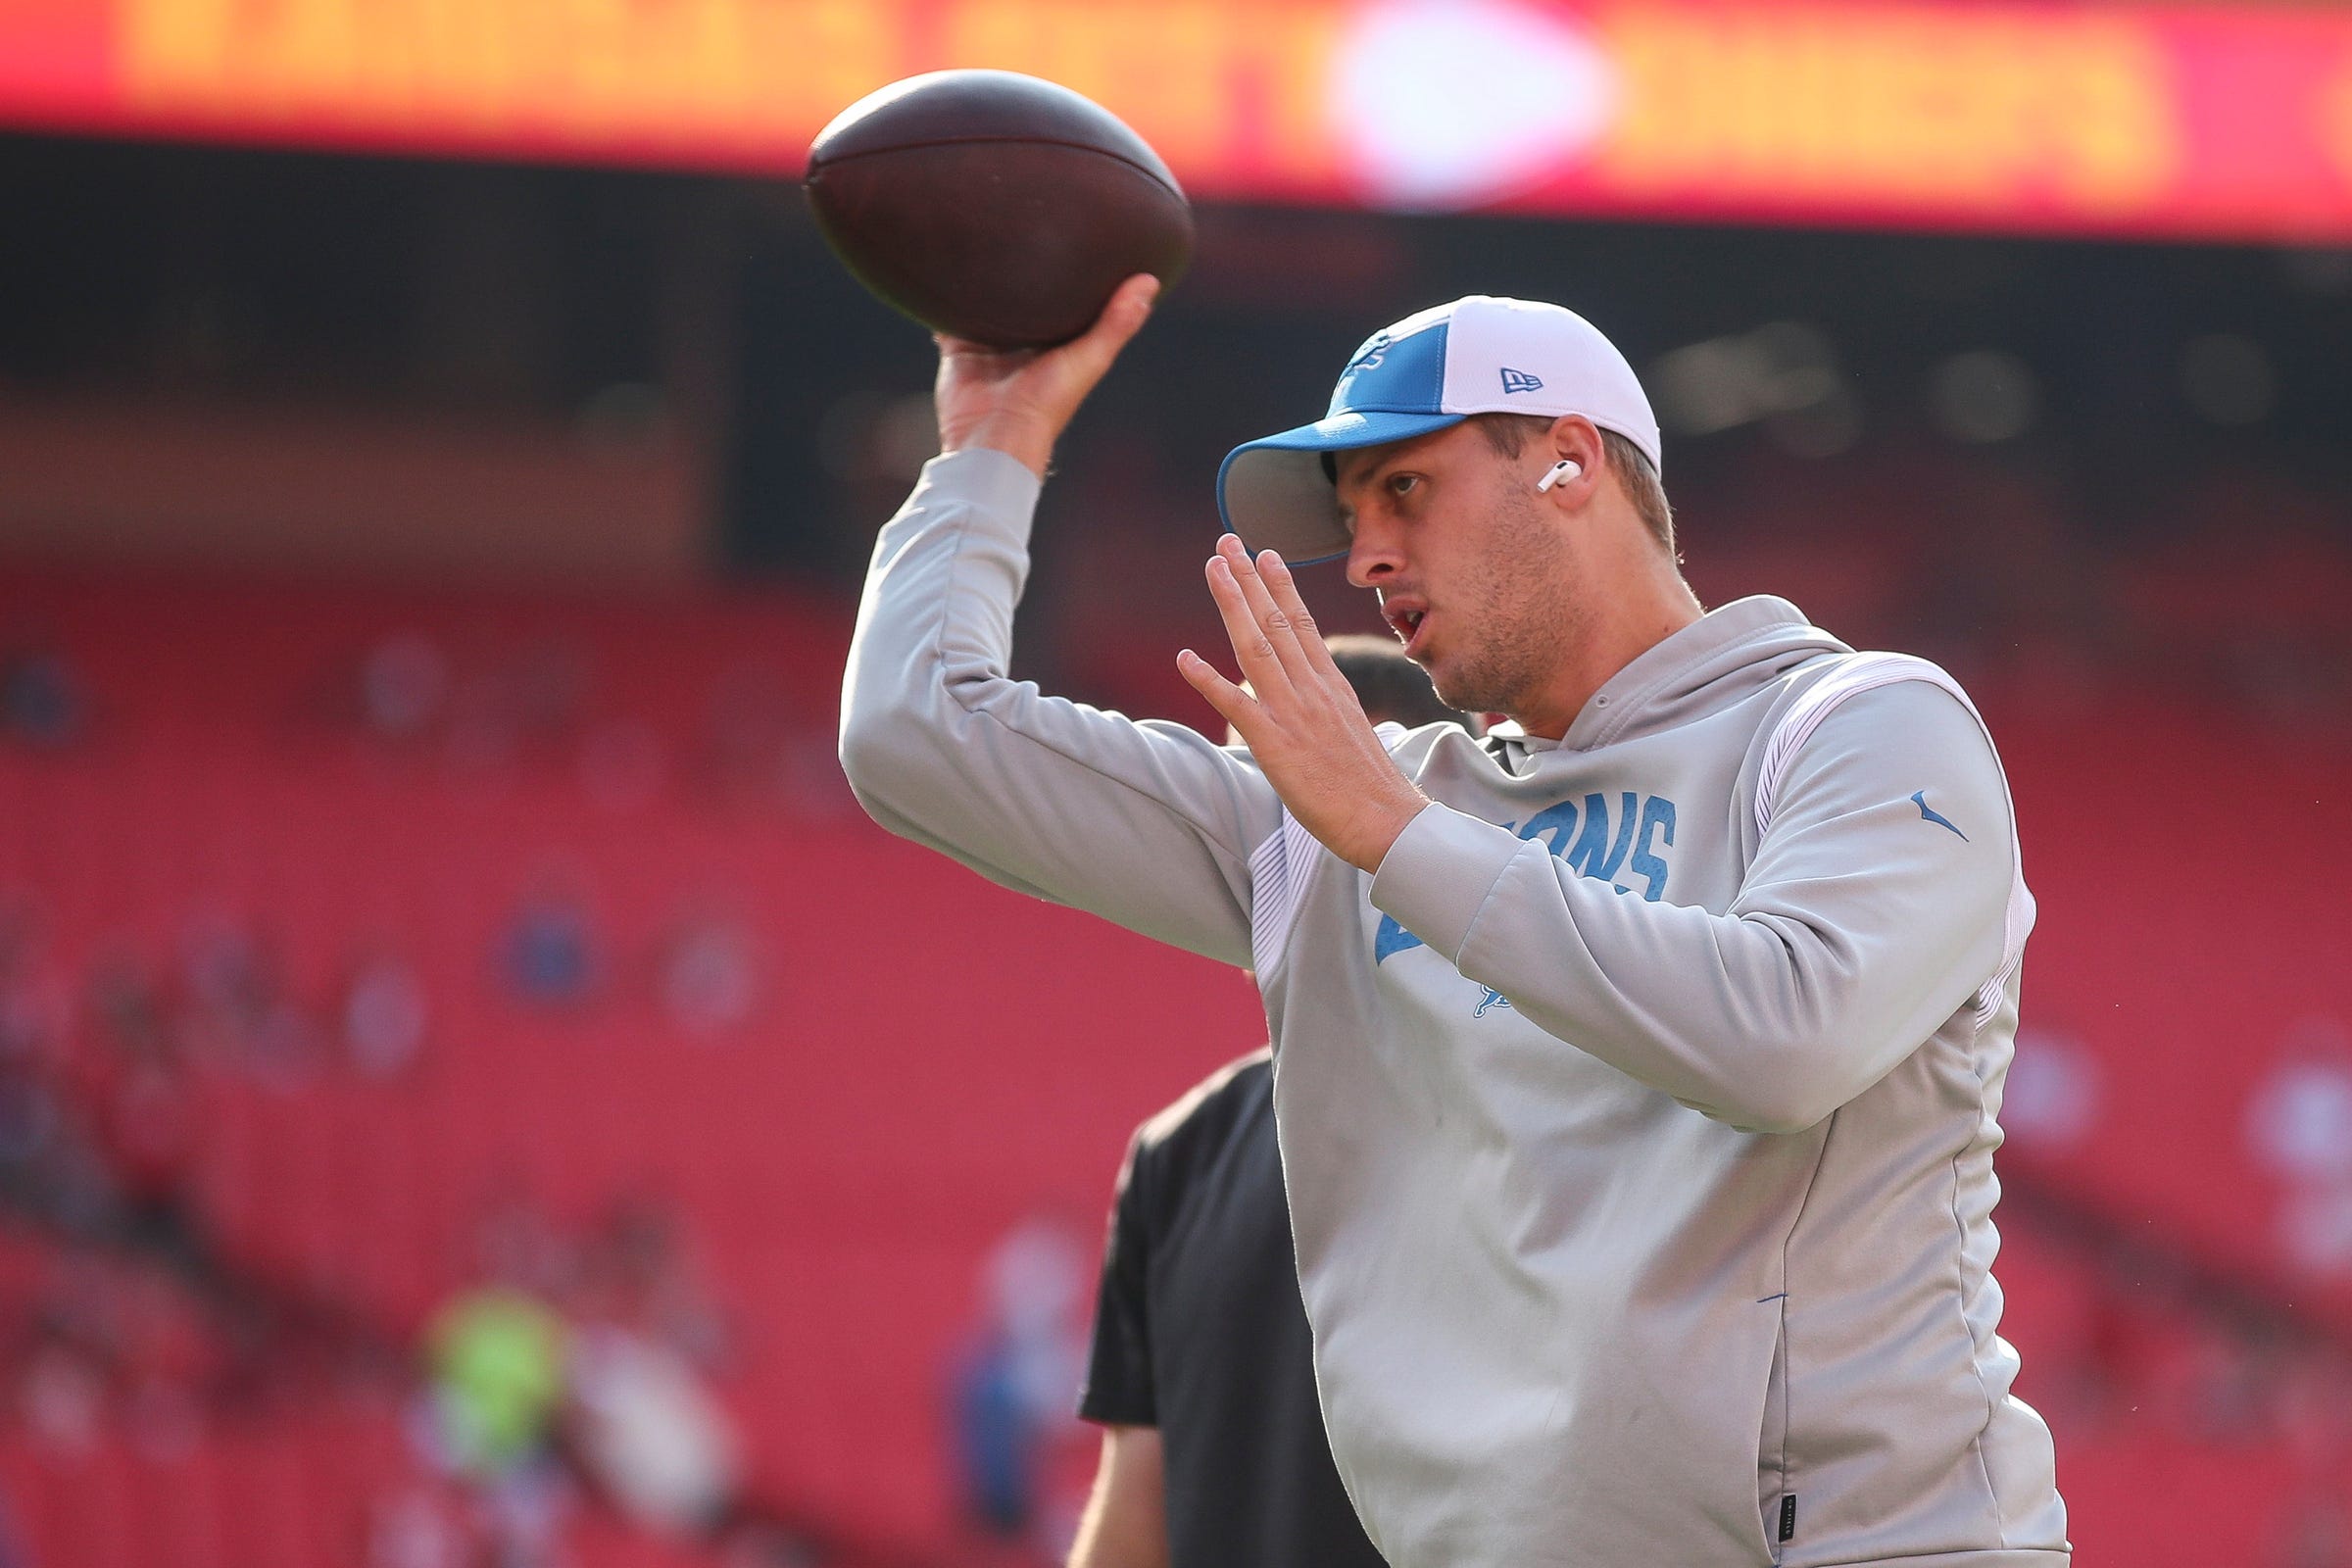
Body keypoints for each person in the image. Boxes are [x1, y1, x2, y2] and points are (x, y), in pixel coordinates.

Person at [838, 278, 2068, 1566]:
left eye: (1403, 490)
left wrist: (1404, 842)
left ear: (1567, 464)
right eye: (1350, 514)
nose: (1362, 559)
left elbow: (1785, 1041)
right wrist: (991, 448)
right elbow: (916, 738)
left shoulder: (1858, 725)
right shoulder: (1363, 807)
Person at [1070, 636, 1469, 1568]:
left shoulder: (1560, 1108)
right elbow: (1136, 1520)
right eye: (1274, 815)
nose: (1315, 858)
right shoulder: (1179, 1154)